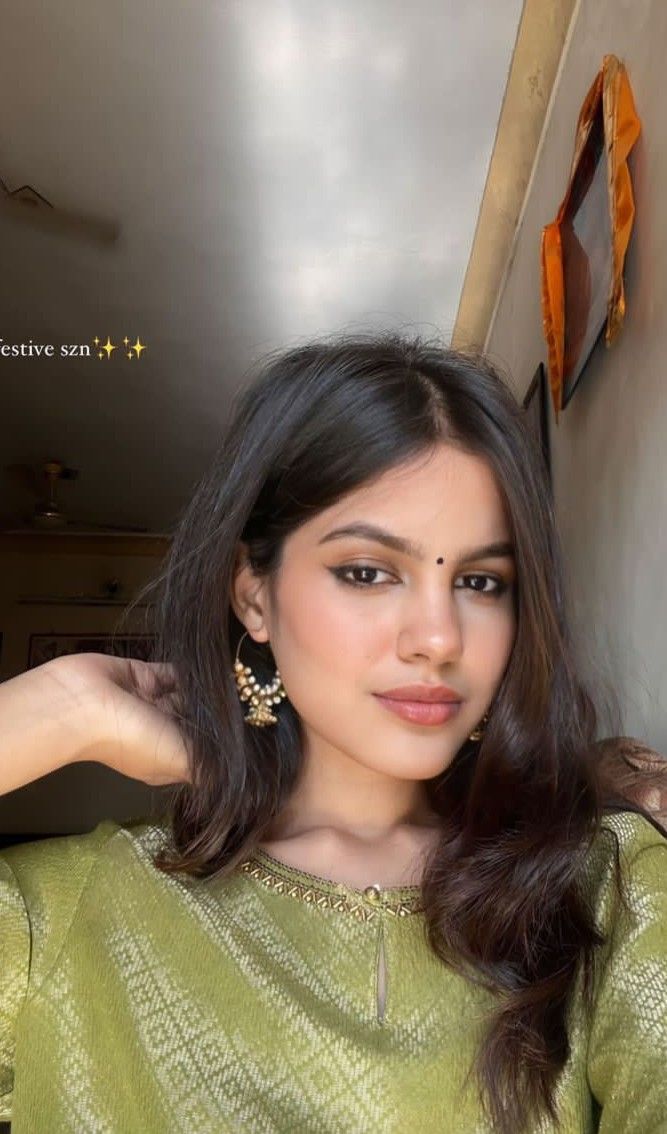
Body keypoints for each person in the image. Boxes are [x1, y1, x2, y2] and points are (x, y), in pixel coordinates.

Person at [1, 334, 666, 1134]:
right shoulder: (65, 916)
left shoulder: (609, 890)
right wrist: (53, 712)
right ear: (252, 596)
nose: (438, 637)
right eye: (367, 571)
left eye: (481, 582)